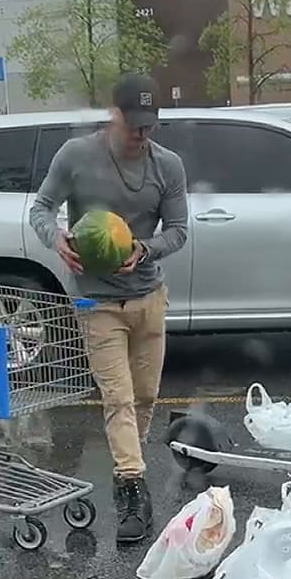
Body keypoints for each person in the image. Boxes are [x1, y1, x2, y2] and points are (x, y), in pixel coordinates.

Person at [29, 73, 188, 543]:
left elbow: (178, 230)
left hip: (148, 297)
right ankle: (131, 490)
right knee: (117, 399)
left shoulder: (168, 166)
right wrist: (56, 238)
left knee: (144, 398)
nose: (142, 133)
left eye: (149, 124)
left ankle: (129, 466)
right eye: (133, 123)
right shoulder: (75, 157)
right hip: (97, 303)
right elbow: (41, 208)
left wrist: (146, 248)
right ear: (113, 114)